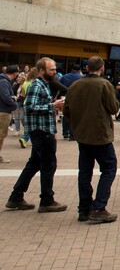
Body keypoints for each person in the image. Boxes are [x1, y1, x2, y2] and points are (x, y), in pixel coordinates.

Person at [6, 57, 68, 213]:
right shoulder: (36, 85)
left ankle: (16, 196)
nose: (54, 72)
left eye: (54, 69)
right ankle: (47, 200)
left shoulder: (44, 85)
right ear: (41, 70)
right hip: (41, 132)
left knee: (33, 164)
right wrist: (53, 105)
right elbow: (30, 107)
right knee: (48, 165)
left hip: (43, 130)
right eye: (51, 69)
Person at [63, 56, 120, 223]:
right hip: (100, 134)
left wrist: (77, 124)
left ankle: (84, 208)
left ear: (87, 68)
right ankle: (98, 207)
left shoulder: (75, 85)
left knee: (85, 171)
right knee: (109, 168)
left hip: (82, 134)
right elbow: (113, 107)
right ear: (102, 68)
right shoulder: (104, 84)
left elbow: (67, 109)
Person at [0, 65, 20, 163]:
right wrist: (14, 104)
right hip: (3, 111)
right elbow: (6, 97)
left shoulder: (5, 81)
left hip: (4, 110)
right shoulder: (4, 82)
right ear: (15, 73)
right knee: (1, 134)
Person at [59, 63, 84, 140]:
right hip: (77, 98)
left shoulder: (64, 77)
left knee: (65, 115)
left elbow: (59, 86)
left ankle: (65, 132)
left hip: (65, 97)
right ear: (79, 70)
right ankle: (72, 133)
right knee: (74, 115)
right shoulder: (82, 78)